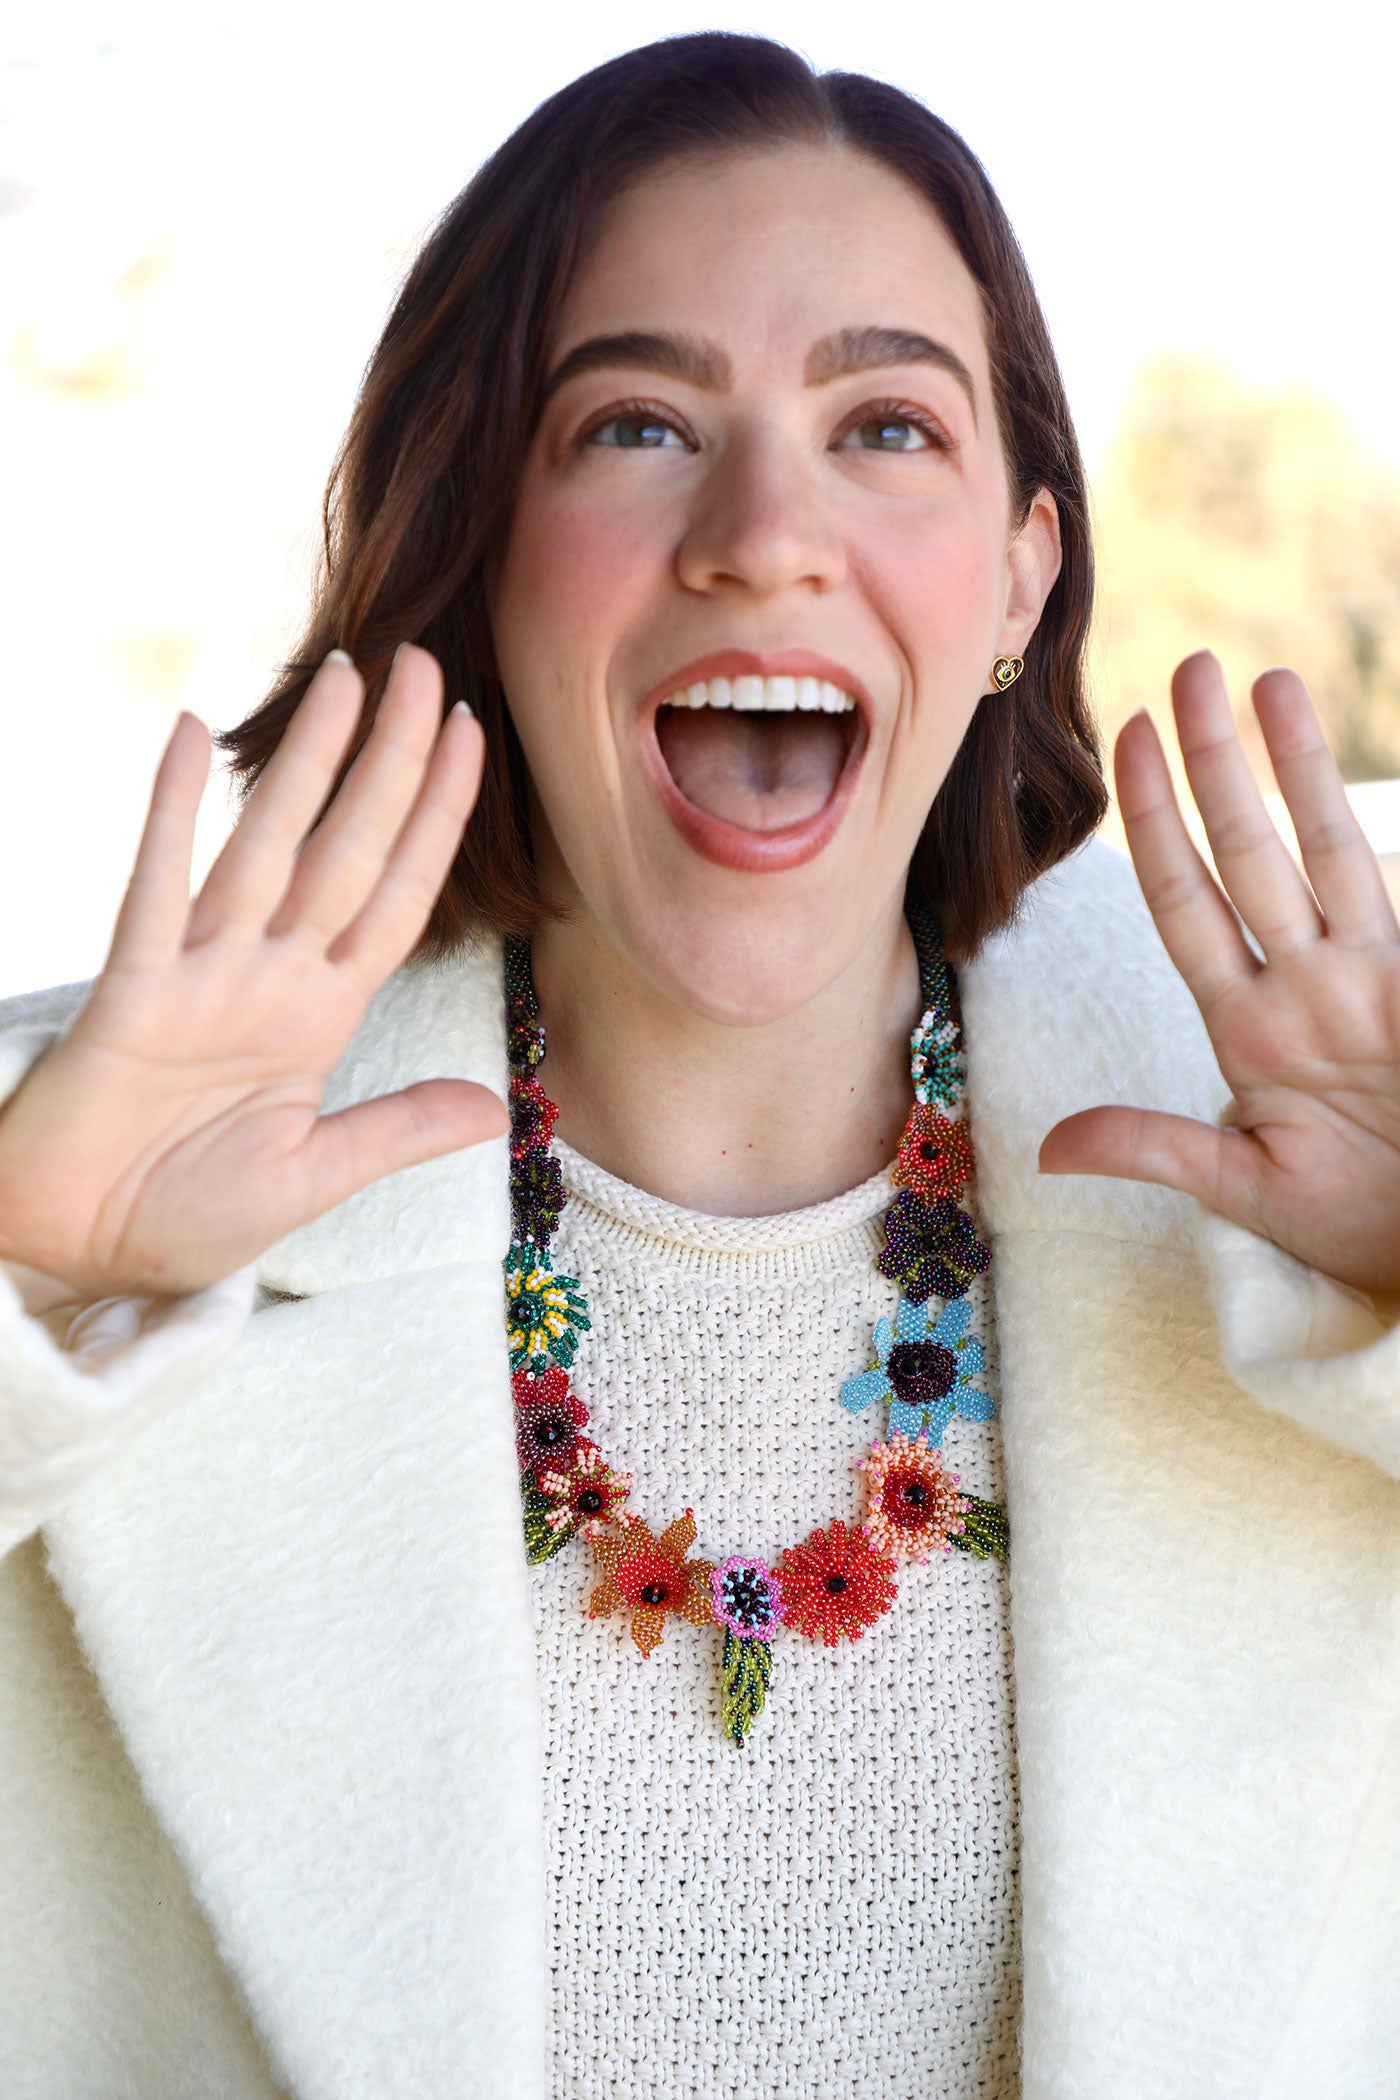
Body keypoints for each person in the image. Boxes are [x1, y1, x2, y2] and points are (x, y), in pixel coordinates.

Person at [1, 31, 1397, 2100]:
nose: (764, 531)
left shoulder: (1321, 1158)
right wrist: (25, 1293)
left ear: (1016, 578)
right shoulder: (73, 1177)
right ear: (479, 548)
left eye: (886, 426)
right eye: (640, 422)